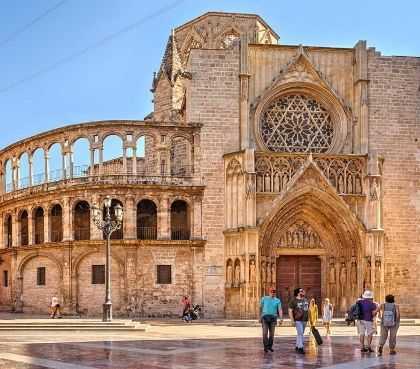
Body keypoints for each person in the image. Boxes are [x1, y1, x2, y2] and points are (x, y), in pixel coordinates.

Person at [260, 288, 283, 353]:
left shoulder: (277, 300)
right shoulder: (264, 299)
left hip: (273, 318)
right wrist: (260, 317)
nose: (272, 293)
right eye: (271, 292)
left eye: (274, 292)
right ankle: (266, 347)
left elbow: (280, 309)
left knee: (271, 334)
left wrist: (281, 318)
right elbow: (260, 308)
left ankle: (270, 346)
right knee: (264, 333)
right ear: (269, 292)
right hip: (265, 317)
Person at [288, 287, 309, 354]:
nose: (303, 291)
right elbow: (290, 310)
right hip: (298, 320)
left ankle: (297, 346)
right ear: (298, 293)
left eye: (303, 290)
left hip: (305, 319)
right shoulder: (293, 300)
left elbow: (307, 309)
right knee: (300, 333)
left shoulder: (305, 299)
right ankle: (300, 347)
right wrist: (292, 320)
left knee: (301, 333)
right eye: (301, 291)